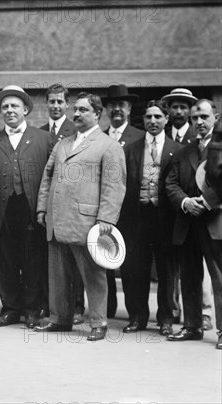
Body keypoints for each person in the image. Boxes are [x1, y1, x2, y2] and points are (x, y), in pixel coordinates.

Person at [36, 92, 126, 341]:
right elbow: (47, 176)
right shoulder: (63, 143)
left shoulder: (109, 146)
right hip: (57, 220)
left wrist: (106, 220)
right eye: (75, 109)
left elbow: (114, 186)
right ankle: (60, 319)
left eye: (83, 110)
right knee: (59, 274)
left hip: (88, 223)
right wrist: (42, 208)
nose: (76, 114)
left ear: (97, 114)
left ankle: (99, 322)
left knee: (93, 274)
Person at [0, 85, 51, 328]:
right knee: (4, 259)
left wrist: (47, 208)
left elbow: (51, 177)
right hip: (1, 209)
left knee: (32, 259)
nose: (9, 110)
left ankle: (31, 308)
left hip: (31, 209)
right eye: (5, 107)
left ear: (25, 109)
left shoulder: (43, 139)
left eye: (14, 106)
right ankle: (10, 308)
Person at [118, 100, 182, 336]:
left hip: (165, 219)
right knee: (136, 268)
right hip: (137, 217)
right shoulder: (130, 149)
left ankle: (165, 318)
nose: (153, 121)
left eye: (157, 117)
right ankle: (137, 317)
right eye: (148, 117)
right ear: (143, 121)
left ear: (166, 119)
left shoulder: (177, 149)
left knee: (167, 270)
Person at [165, 99, 222, 349]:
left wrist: (207, 202)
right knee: (189, 276)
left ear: (216, 117)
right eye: (195, 118)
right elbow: (171, 183)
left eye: (204, 117)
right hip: (188, 222)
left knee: (219, 278)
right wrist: (186, 202)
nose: (199, 122)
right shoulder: (184, 150)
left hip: (214, 221)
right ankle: (192, 326)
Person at [39, 83, 85, 324]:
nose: (55, 106)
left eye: (60, 102)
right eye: (52, 101)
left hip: (71, 204)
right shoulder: (38, 131)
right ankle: (52, 307)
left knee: (74, 259)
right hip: (50, 204)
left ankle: (77, 308)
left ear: (67, 105)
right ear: (46, 104)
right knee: (53, 260)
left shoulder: (74, 129)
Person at [101, 84, 142, 318]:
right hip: (105, 212)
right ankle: (107, 310)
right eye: (113, 105)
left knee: (131, 264)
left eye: (122, 105)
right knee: (104, 260)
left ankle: (136, 314)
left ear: (129, 108)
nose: (117, 109)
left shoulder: (140, 137)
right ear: (106, 109)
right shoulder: (99, 137)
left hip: (130, 212)